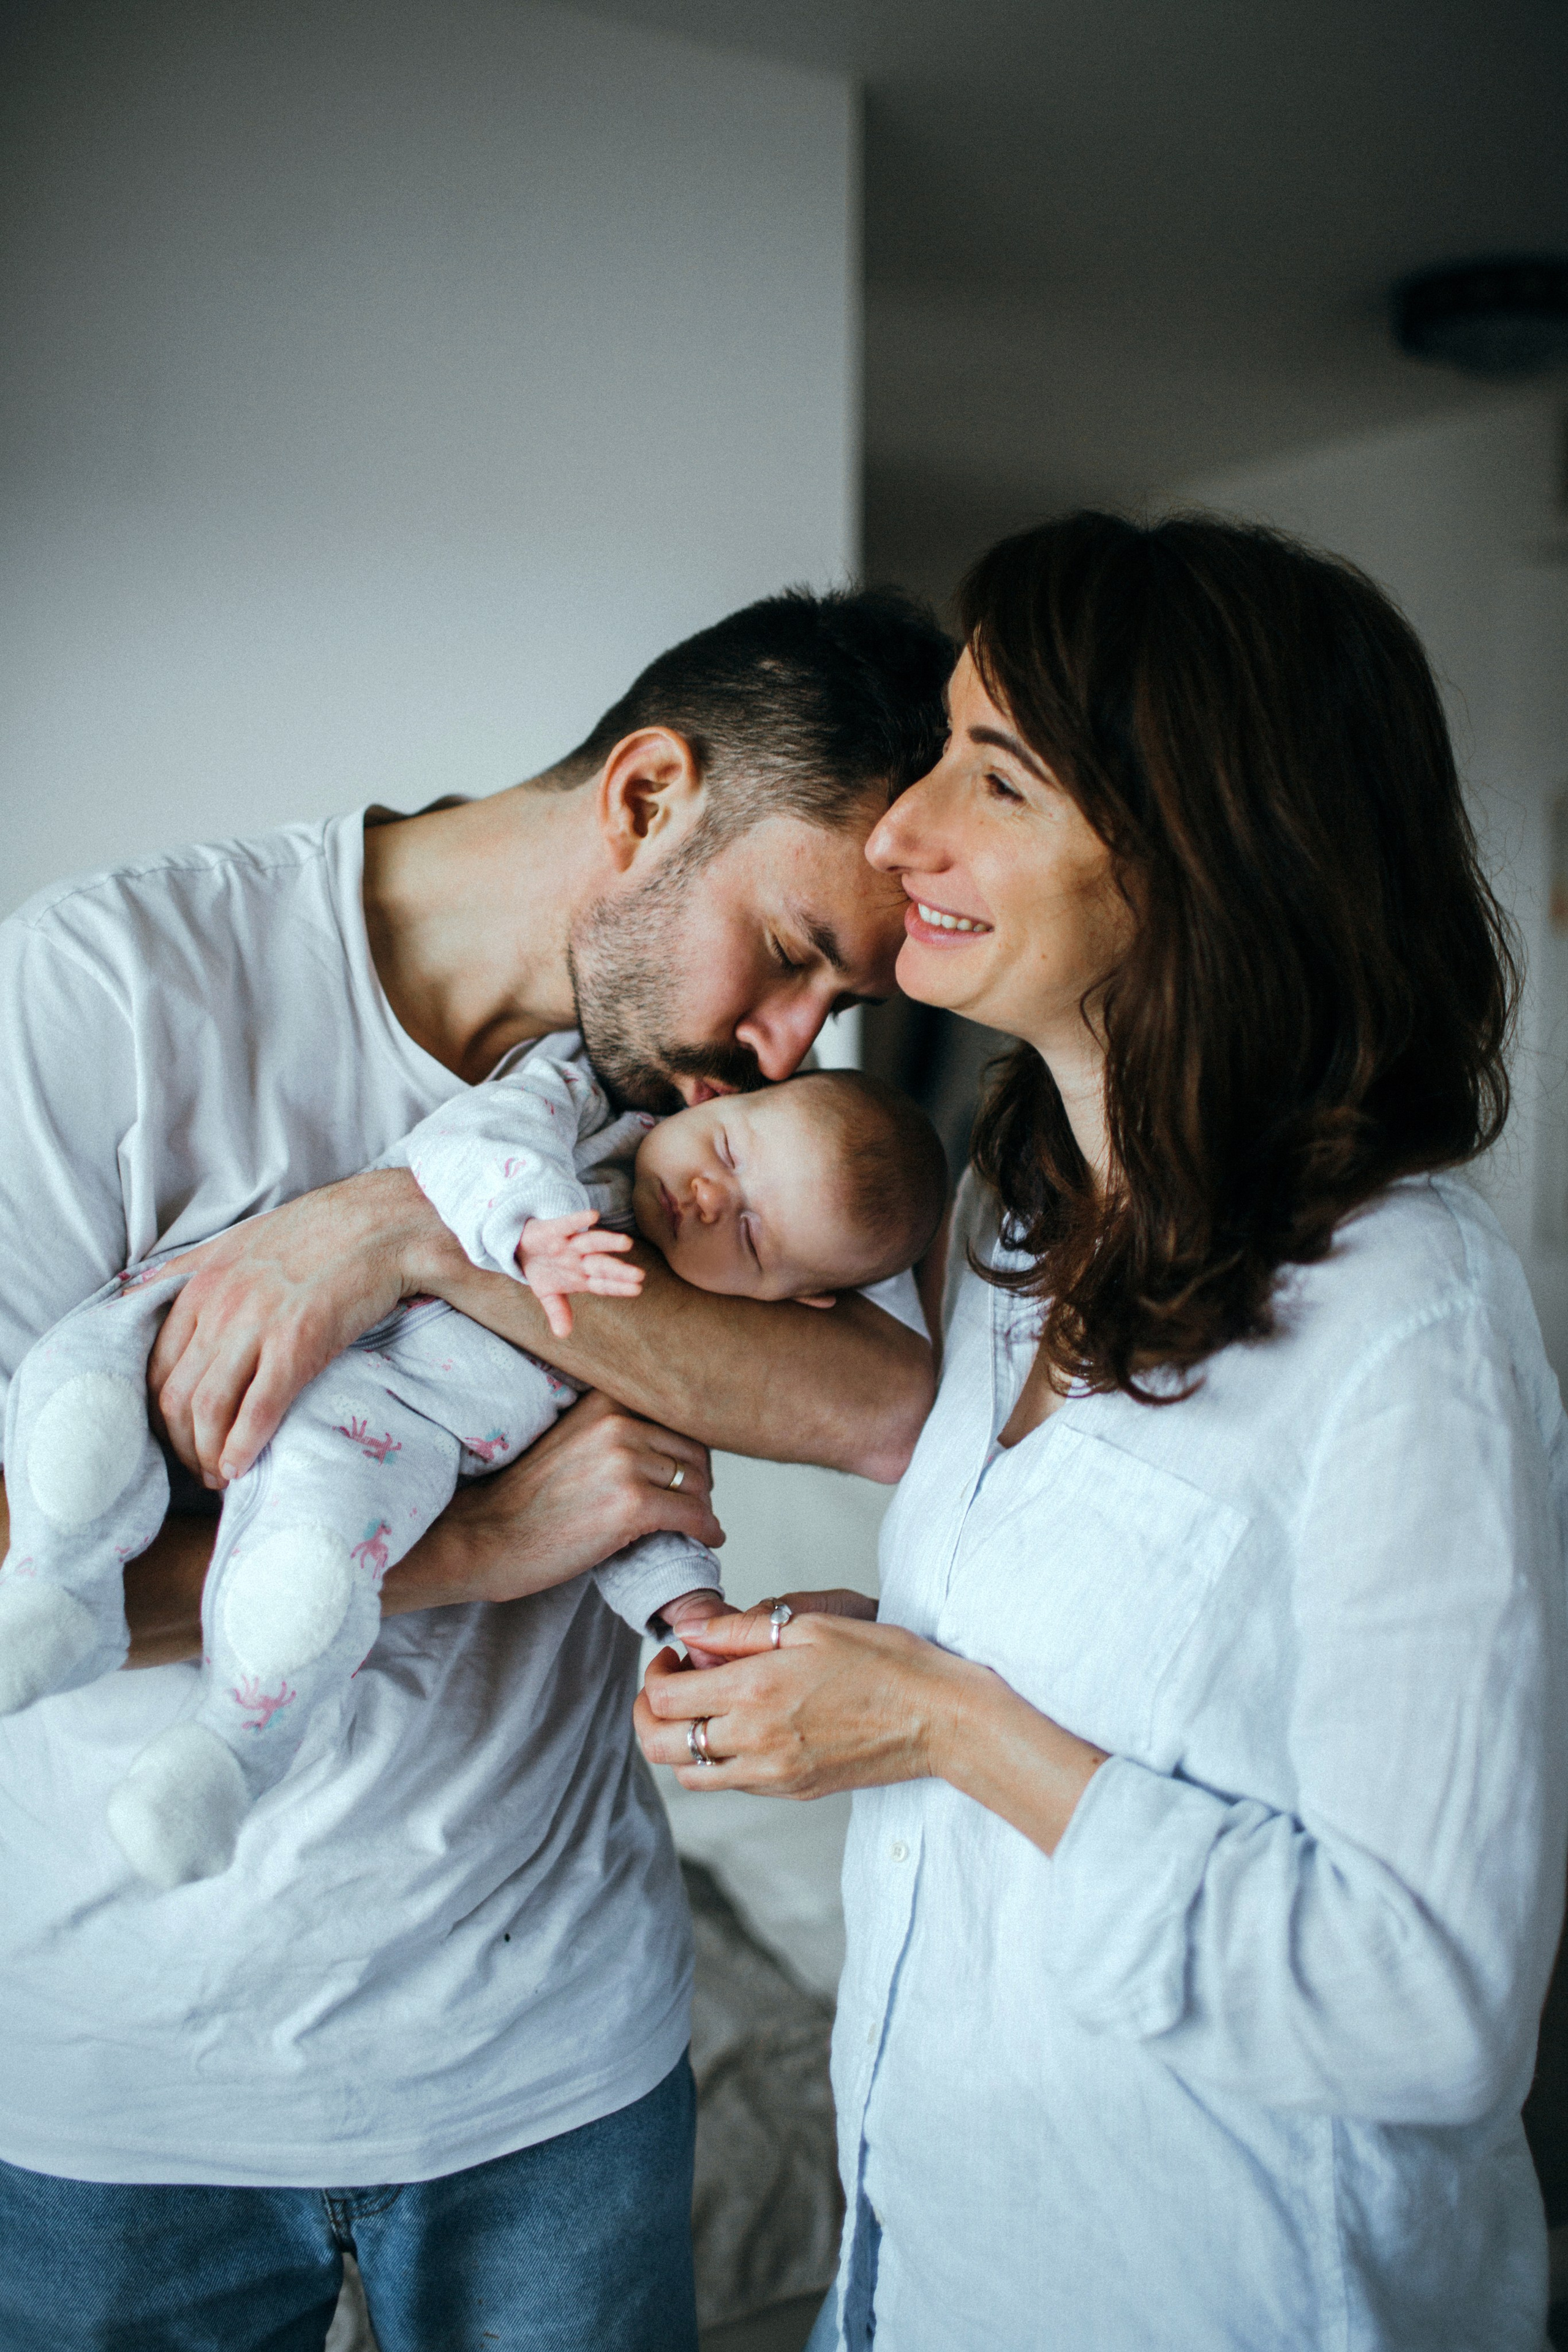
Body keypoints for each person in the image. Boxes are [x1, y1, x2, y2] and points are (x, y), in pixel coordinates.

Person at [637, 514, 1568, 2351]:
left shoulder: (1411, 1322)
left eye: (994, 777)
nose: (900, 833)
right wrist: (882, 1663)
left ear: (1210, 846)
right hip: (932, 2270)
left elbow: (1431, 2011)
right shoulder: (1015, 1216)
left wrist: (943, 1723)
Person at [0, 585, 951, 2350]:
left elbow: (892, 1406)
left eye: (838, 1003)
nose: (790, 1046)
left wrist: (410, 1240)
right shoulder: (111, 988)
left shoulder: (703, 1134)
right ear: (652, 795)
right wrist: (477, 1544)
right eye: (796, 949)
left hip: (551, 2081)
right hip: (118, 2085)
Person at [5, 1061, 943, 1890]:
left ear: (792, 1300)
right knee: (85, 1394)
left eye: (748, 1235)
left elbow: (639, 1501)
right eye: (730, 1154)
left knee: (314, 1570)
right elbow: (481, 1133)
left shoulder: (663, 1354)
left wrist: (689, 1613)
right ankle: (55, 1580)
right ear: (714, 1096)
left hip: (376, 1431)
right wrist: (522, 1229)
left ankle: (228, 1750)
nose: (705, 1198)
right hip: (213, 1319)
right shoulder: (590, 1116)